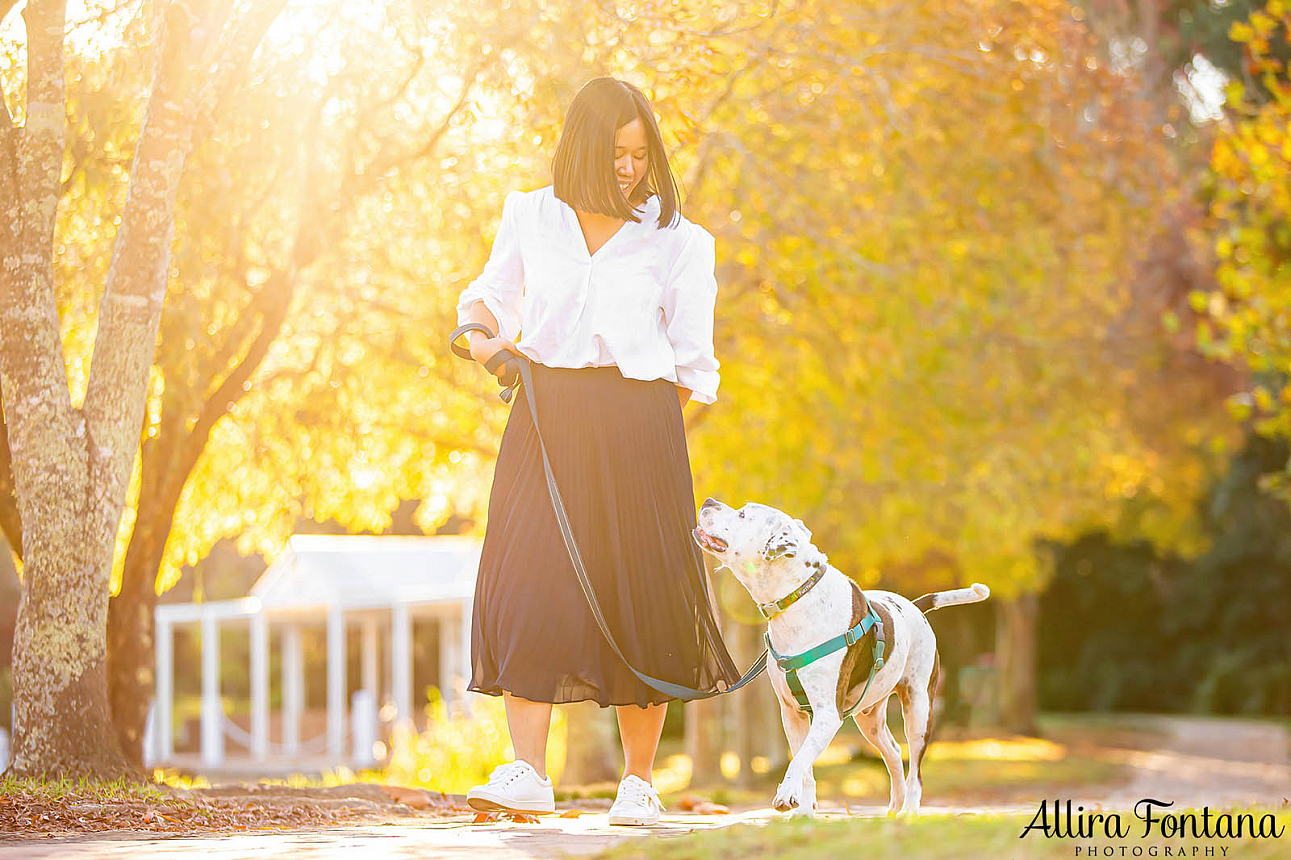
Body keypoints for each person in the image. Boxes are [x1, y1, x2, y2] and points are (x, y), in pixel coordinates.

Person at [455, 76, 740, 826]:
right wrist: (482, 335)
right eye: (615, 153)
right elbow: (489, 298)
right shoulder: (529, 215)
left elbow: (692, 364)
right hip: (544, 420)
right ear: (580, 147)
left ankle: (638, 784)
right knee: (528, 587)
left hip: (638, 422)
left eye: (640, 155)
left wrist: (633, 430)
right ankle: (526, 772)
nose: (628, 168)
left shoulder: (679, 240)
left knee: (638, 591)